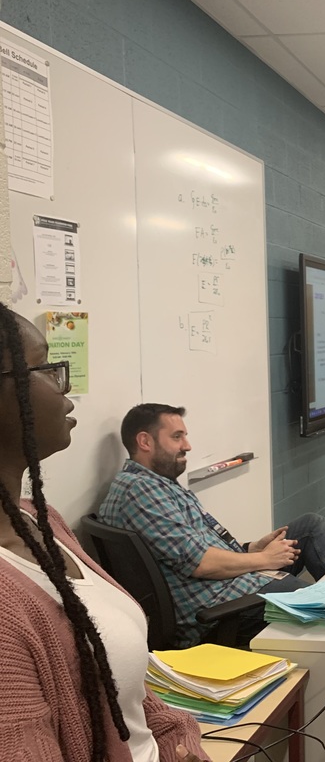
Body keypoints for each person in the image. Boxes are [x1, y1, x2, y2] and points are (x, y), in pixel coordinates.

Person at [0, 305, 208, 761]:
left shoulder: (41, 519)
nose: (67, 392)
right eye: (49, 369)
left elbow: (121, 686)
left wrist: (179, 738)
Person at [99, 404, 325, 648]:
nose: (187, 445)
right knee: (318, 602)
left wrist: (252, 548)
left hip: (227, 584)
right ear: (145, 442)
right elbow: (201, 562)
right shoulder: (141, 491)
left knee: (310, 527)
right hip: (216, 611)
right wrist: (264, 560)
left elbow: (197, 546)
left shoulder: (158, 483)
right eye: (177, 437)